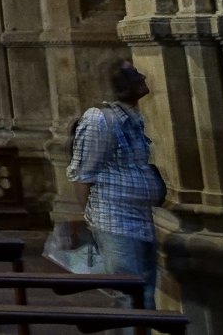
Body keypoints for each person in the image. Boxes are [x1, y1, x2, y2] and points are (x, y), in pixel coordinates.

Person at [69, 60, 165, 300]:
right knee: (129, 295)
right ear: (121, 85)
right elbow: (82, 174)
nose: (142, 76)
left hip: (141, 218)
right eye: (133, 73)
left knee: (144, 292)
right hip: (114, 221)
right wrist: (91, 219)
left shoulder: (134, 119)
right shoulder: (99, 120)